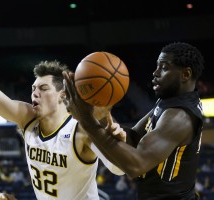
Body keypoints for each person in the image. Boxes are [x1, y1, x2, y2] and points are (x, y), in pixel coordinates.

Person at [0, 4, 126, 200]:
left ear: (63, 95)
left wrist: (116, 144)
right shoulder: (27, 117)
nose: (34, 94)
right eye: (33, 89)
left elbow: (118, 169)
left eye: (43, 89)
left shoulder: (81, 130)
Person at [63, 42, 205, 199]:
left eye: (163, 67)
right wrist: (100, 115)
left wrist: (86, 120)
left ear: (185, 75)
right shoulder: (169, 102)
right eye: (157, 66)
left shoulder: (180, 117)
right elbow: (133, 137)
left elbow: (137, 165)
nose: (155, 72)